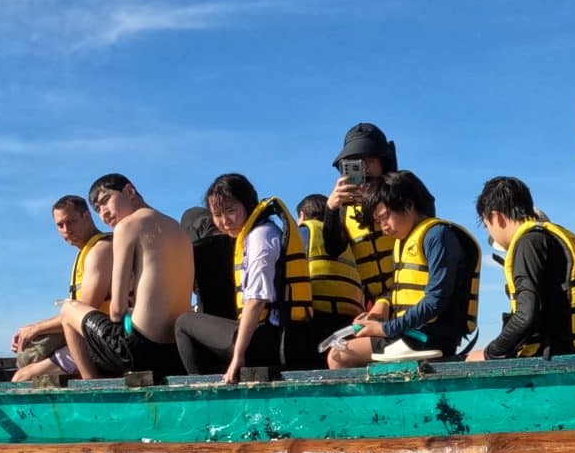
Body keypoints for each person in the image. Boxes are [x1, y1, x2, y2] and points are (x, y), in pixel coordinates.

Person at [175, 175, 358, 380]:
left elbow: (256, 300)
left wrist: (237, 356)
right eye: (217, 214)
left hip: (270, 339)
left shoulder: (260, 237)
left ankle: (208, 392)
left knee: (184, 323)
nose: (224, 221)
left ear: (248, 205)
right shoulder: (261, 233)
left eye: (231, 210)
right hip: (278, 336)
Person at [327, 171, 481, 368]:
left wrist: (385, 328)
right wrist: (381, 309)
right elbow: (405, 290)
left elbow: (436, 301)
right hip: (410, 334)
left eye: (385, 217)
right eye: (378, 222)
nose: (384, 228)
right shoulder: (405, 240)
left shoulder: (438, 236)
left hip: (427, 338)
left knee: (338, 356)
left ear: (408, 206)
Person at [58, 174, 191, 380]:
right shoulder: (177, 228)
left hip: (139, 351)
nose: (103, 213)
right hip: (177, 351)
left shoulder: (127, 227)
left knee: (68, 310)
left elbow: (117, 310)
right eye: (97, 209)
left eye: (105, 201)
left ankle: (91, 386)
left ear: (129, 191)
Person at [472, 177, 575, 361]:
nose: (490, 231)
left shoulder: (527, 244)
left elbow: (526, 316)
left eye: (486, 225)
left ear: (496, 217)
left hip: (557, 357)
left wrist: (488, 352)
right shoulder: (551, 236)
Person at [12, 195, 115, 383]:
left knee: (23, 378)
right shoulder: (86, 253)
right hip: (91, 339)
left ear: (87, 217)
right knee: (28, 360)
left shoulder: (101, 250)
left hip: (105, 340)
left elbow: (84, 313)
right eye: (60, 225)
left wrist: (36, 329)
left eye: (71, 222)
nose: (67, 230)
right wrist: (31, 331)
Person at [323, 124, 401, 308]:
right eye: (356, 163)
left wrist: (386, 197)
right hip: (370, 304)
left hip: (409, 296)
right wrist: (331, 210)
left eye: (370, 160)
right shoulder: (343, 207)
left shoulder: (406, 192)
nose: (364, 169)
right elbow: (333, 249)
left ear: (384, 162)